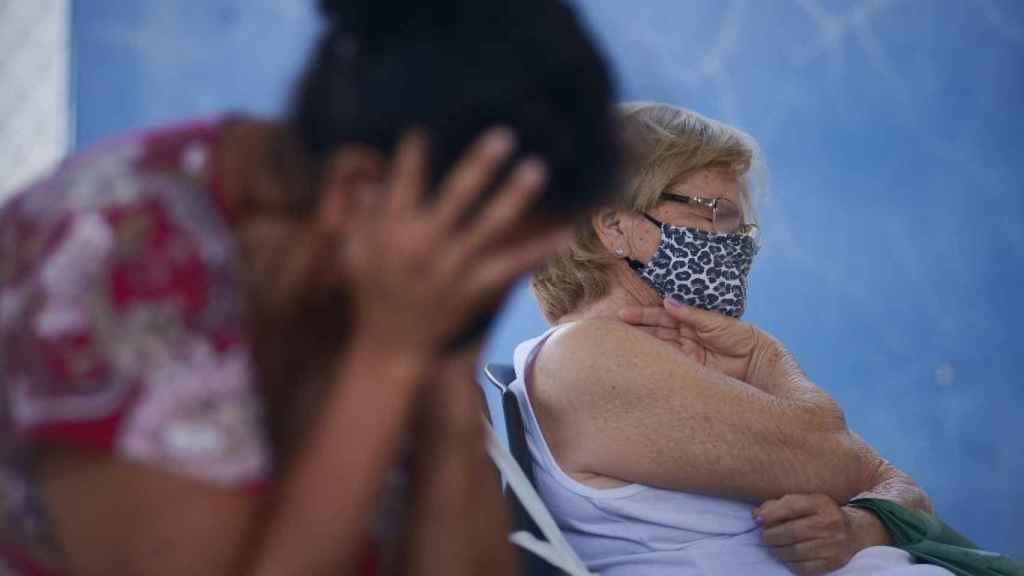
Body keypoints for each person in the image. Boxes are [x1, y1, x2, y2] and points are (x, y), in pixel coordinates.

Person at [0, 0, 617, 574]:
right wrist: (389, 355)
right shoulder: (115, 251)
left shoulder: (392, 277)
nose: (485, 291)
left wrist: (449, 370)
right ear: (356, 191)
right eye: (487, 259)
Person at [519, 102, 950, 575]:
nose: (739, 243)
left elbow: (904, 489)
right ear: (615, 225)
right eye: (716, 214)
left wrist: (862, 527)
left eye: (742, 226)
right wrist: (764, 357)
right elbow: (836, 458)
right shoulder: (582, 354)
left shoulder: (695, 354)